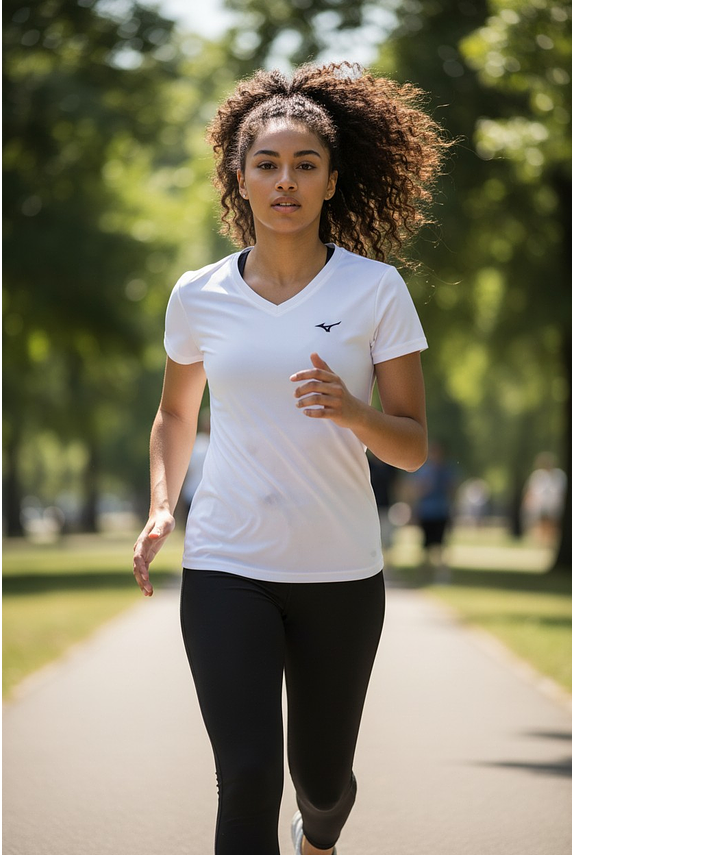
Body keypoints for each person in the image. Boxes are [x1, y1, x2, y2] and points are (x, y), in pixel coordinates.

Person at [131, 60, 453, 855]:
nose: (285, 182)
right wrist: (163, 504)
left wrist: (351, 410)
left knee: (322, 783)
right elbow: (176, 412)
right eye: (267, 165)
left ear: (332, 181)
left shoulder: (375, 292)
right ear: (238, 178)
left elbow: (412, 442)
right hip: (225, 563)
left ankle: (320, 832)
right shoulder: (198, 294)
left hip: (340, 571)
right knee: (245, 776)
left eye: (305, 165)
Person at [411, 440, 460, 582]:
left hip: (441, 511)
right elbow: (417, 491)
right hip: (427, 512)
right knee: (425, 546)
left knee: (441, 545)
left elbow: (452, 490)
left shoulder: (447, 470)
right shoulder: (424, 471)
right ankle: (424, 574)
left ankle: (441, 575)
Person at [522, 451, 566, 547]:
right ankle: (543, 541)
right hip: (542, 505)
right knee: (542, 523)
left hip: (555, 505)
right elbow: (531, 490)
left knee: (553, 524)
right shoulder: (538, 475)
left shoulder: (559, 475)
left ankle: (550, 542)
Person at [176, 408, 211, 529]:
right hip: (207, 495)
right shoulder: (209, 445)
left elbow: (185, 472)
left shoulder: (195, 444)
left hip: (191, 494)